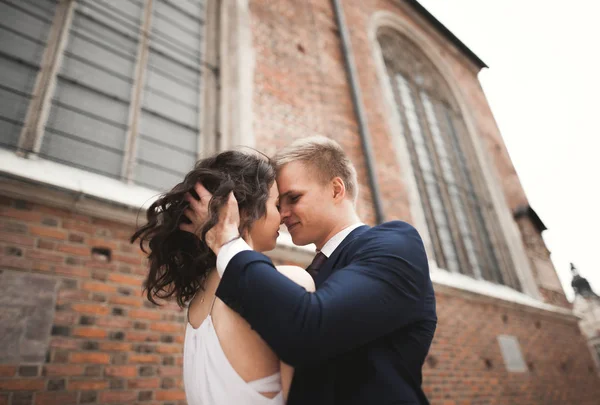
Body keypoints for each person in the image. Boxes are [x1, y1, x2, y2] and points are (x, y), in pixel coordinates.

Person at [181, 136, 437, 405]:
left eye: (293, 198)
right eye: (278, 204)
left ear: (336, 190)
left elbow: (312, 326)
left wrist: (228, 245)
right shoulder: (297, 279)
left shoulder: (395, 244)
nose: (283, 213)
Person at [131, 151, 315, 404]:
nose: (283, 215)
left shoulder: (198, 301)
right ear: (245, 212)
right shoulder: (290, 281)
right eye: (275, 205)